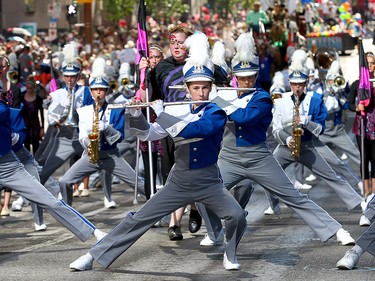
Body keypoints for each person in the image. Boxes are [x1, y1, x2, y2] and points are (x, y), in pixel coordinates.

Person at [69, 32, 247, 271]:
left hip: (208, 181)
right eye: (196, 88)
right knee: (138, 218)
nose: (202, 93)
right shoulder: (179, 109)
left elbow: (195, 130)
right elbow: (150, 133)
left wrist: (162, 113)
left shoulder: (215, 111)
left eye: (205, 87)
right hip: (179, 181)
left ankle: (230, 252)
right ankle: (93, 255)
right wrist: (135, 114)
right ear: (187, 88)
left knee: (237, 215)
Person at [196, 32, 357, 248]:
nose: (246, 81)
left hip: (259, 157)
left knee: (294, 196)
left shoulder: (261, 97)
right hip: (230, 158)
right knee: (201, 195)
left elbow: (246, 117)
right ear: (234, 76)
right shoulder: (225, 95)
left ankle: (337, 230)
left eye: (250, 77)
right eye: (242, 77)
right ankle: (215, 232)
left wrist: (217, 100)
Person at [0, 76, 107, 242]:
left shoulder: (5, 110)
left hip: (10, 165)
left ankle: (95, 233)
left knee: (49, 201)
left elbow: (16, 135)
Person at [270, 49, 363, 219]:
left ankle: (358, 201)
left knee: (331, 174)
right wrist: (288, 138)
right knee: (269, 174)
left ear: (305, 84)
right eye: (294, 84)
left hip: (309, 145)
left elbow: (320, 130)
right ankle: (273, 204)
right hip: (285, 146)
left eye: (300, 84)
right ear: (290, 84)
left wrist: (306, 122)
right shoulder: (281, 100)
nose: (297, 88)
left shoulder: (315, 100)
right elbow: (275, 129)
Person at [59, 57, 145, 206]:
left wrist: (106, 128)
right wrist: (89, 144)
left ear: (106, 91)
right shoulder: (84, 111)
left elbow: (119, 137)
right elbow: (81, 136)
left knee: (140, 184)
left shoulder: (114, 109)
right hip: (90, 156)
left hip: (112, 155)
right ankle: (68, 211)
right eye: (95, 89)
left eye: (101, 89)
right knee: (64, 181)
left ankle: (163, 214)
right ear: (91, 91)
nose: (98, 93)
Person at [150, 25, 201, 240]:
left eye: (181, 42)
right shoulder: (162, 67)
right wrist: (144, 72)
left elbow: (220, 81)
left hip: (193, 126)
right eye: (173, 43)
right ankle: (184, 214)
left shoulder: (199, 63)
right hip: (168, 126)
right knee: (171, 173)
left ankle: (178, 221)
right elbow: (148, 94)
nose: (176, 46)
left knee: (189, 172)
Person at [38, 42, 94, 186]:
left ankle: (105, 192)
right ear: (63, 76)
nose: (70, 79)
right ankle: (29, 198)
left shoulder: (86, 92)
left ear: (78, 76)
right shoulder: (58, 94)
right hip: (64, 138)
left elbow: (92, 113)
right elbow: (51, 119)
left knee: (105, 159)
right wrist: (60, 112)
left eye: (73, 76)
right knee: (45, 171)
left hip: (82, 137)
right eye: (67, 76)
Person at [348, 52, 375, 200]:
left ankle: (374, 195)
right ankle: (366, 194)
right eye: (367, 63)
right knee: (364, 158)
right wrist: (357, 107)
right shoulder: (357, 84)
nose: (369, 66)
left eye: (372, 63)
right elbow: (349, 103)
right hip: (362, 127)